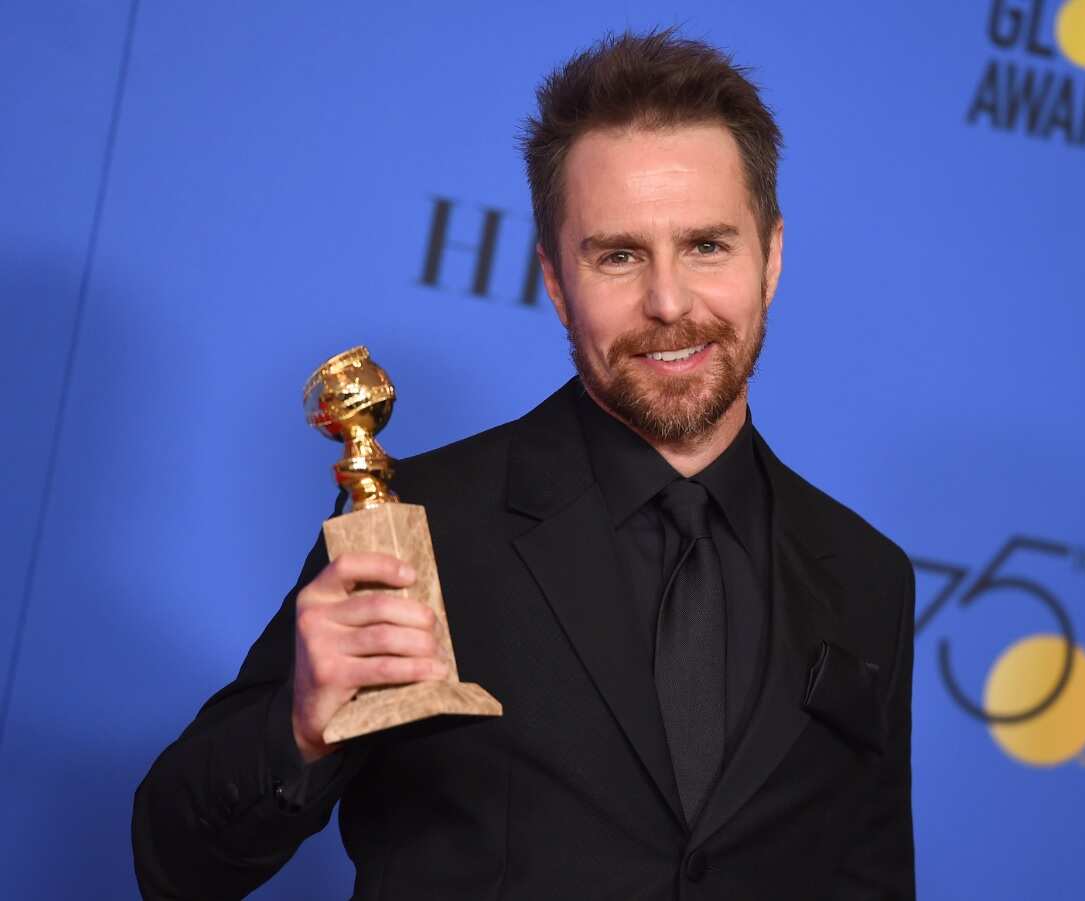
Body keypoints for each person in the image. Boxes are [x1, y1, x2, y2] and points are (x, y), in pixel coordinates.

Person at [133, 28, 915, 900]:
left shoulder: (866, 576)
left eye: (706, 245)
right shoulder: (416, 532)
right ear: (554, 280)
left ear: (769, 257)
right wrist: (299, 730)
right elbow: (173, 860)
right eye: (617, 254)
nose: (667, 302)